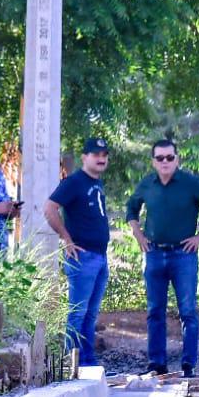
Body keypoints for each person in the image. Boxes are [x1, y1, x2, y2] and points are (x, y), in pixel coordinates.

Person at [125, 138, 199, 377]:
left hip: (183, 255)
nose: (165, 162)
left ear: (177, 159)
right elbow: (131, 207)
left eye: (169, 157)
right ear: (153, 161)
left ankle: (188, 365)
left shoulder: (190, 183)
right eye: (160, 158)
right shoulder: (147, 184)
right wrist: (138, 234)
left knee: (188, 311)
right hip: (153, 254)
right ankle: (156, 364)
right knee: (154, 311)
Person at [44, 138, 112, 368]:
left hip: (100, 256)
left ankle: (87, 361)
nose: (101, 158)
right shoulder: (74, 182)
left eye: (104, 154)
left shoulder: (97, 183)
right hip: (82, 257)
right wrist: (66, 239)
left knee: (91, 314)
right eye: (95, 154)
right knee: (78, 312)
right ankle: (69, 363)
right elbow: (50, 208)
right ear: (85, 157)